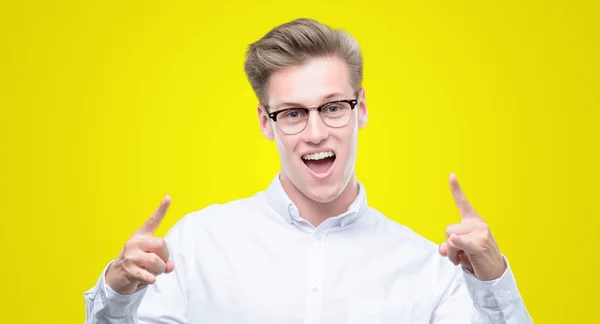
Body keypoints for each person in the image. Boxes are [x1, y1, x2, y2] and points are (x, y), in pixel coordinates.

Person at [84, 18, 533, 323]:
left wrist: (493, 280)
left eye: (333, 107)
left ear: (362, 110)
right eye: (294, 113)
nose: (316, 132)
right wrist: (117, 293)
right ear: (265, 121)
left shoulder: (427, 268)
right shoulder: (196, 245)